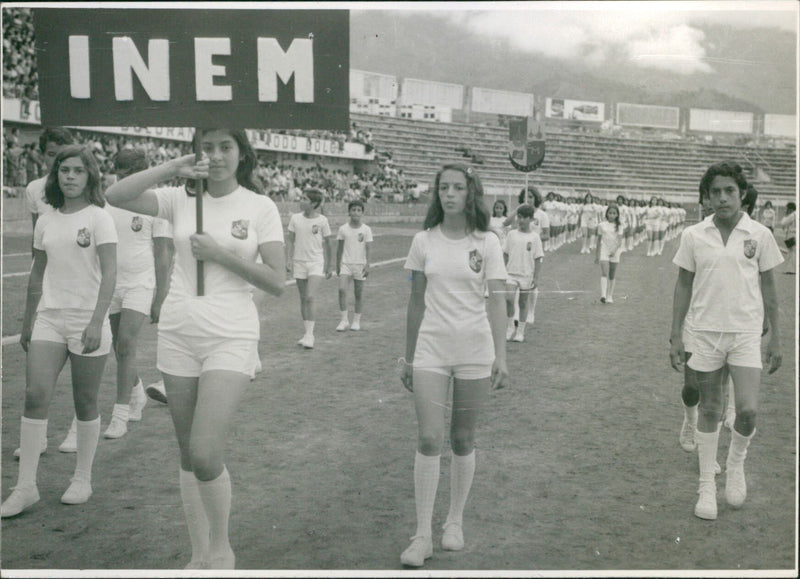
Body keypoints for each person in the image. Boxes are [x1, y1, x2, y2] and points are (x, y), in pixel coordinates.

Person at [105, 129, 286, 569]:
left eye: (226, 147)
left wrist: (221, 255)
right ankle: (198, 552)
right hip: (179, 331)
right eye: (207, 147)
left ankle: (222, 547)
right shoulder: (178, 199)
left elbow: (277, 281)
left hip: (231, 333)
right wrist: (172, 167)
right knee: (187, 453)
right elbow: (115, 193)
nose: (217, 155)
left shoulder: (260, 207)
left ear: (243, 154)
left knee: (206, 452)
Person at [399, 164, 508, 567]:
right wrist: (408, 358)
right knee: (429, 439)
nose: (449, 194)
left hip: (475, 352)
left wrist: (502, 355)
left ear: (470, 192)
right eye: (443, 187)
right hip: (431, 350)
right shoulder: (422, 241)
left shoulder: (488, 242)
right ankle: (422, 535)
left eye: (457, 187)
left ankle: (455, 521)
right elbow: (414, 303)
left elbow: (497, 300)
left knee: (462, 439)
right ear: (436, 194)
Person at [2, 145, 117, 518]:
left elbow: (110, 273)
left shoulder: (100, 217)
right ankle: (26, 487)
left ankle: (82, 478)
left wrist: (98, 320)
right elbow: (37, 274)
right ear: (55, 176)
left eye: (78, 171)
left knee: (85, 401)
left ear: (90, 177)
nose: (69, 176)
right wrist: (27, 322)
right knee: (35, 395)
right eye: (64, 170)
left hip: (87, 319)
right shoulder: (46, 219)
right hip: (50, 316)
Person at [670, 161, 782, 521]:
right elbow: (684, 283)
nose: (722, 198)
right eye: (715, 192)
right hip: (703, 332)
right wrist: (675, 334)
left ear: (742, 194)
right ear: (706, 197)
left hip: (746, 333)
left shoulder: (759, 235)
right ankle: (706, 487)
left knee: (747, 411)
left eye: (729, 191)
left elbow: (768, 285)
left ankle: (735, 465)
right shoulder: (694, 235)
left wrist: (776, 336)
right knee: (711, 411)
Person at [97, 149, 173, 439]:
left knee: (127, 344)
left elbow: (163, 254)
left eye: (131, 174)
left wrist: (161, 296)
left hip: (140, 283)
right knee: (120, 348)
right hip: (111, 284)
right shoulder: (106, 201)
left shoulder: (155, 205)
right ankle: (137, 392)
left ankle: (121, 414)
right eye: (120, 173)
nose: (124, 179)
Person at [286, 188, 333, 349]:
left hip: (315, 262)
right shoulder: (295, 219)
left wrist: (329, 265)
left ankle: (310, 335)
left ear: (313, 203)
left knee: (310, 296)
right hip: (299, 262)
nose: (301, 200)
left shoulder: (322, 221)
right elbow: (290, 241)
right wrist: (289, 260)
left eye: (304, 198)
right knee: (303, 298)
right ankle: (306, 333)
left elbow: (328, 243)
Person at [25, 128, 75, 242]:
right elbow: (37, 237)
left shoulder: (83, 186)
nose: (58, 160)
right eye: (52, 154)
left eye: (64, 155)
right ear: (42, 155)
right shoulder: (34, 189)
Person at [503, 204, 544, 342]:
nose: (521, 220)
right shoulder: (511, 234)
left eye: (524, 218)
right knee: (509, 298)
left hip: (526, 274)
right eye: (519, 217)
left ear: (531, 219)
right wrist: (502, 271)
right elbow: (505, 254)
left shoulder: (535, 237)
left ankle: (520, 331)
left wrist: (536, 278)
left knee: (523, 302)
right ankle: (510, 327)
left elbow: (538, 258)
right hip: (511, 273)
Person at [336, 199, 373, 331]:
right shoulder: (343, 229)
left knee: (358, 294)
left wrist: (368, 264)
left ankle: (356, 321)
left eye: (359, 210)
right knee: (341, 290)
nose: (356, 212)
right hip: (346, 264)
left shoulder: (366, 230)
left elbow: (368, 249)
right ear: (349, 212)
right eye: (353, 210)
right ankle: (344, 320)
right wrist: (337, 264)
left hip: (360, 265)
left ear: (362, 213)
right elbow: (339, 249)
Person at [595, 204, 624, 304]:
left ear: (617, 215)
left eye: (614, 213)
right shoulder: (601, 225)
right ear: (607, 214)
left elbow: (619, 241)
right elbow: (598, 241)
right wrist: (597, 255)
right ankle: (603, 295)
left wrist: (614, 251)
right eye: (610, 213)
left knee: (612, 274)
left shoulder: (619, 226)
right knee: (604, 271)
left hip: (615, 250)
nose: (612, 215)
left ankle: (609, 295)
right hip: (604, 249)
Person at [779, 201, 796, 275]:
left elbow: (783, 223)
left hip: (791, 235)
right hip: (794, 234)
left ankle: (791, 269)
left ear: (791, 209)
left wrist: (785, 215)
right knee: (793, 252)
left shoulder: (792, 215)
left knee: (791, 252)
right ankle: (792, 269)